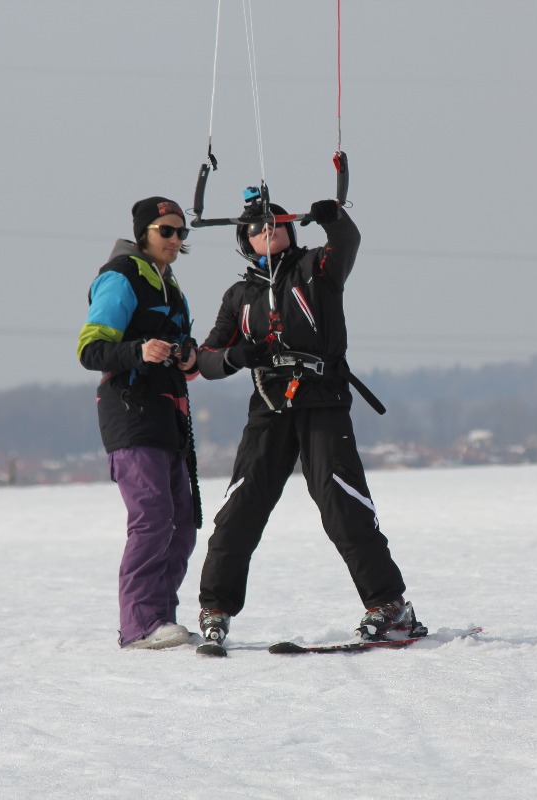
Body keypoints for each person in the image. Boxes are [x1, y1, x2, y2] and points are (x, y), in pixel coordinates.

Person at [193, 190, 423, 645]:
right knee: (242, 504)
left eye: (276, 222)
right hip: (269, 405)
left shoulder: (318, 268)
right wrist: (235, 356)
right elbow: (206, 359)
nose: (268, 229)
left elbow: (347, 241)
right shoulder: (239, 296)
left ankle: (389, 605)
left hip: (322, 399)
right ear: (245, 240)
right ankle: (215, 607)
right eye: (257, 226)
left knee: (341, 502)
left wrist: (333, 218)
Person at [77, 196, 202, 650]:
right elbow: (90, 350)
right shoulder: (121, 276)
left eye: (180, 232)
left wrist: (188, 356)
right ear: (143, 232)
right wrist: (139, 350)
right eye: (165, 230)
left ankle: (162, 618)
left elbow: (181, 349)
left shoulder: (170, 285)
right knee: (152, 518)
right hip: (131, 412)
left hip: (169, 414)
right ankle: (140, 624)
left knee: (181, 523)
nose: (174, 239)